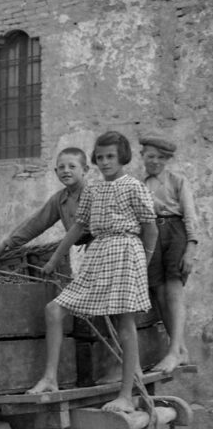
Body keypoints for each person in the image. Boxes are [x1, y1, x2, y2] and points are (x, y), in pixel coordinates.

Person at [28, 131, 158, 413]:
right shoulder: (93, 190)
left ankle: (126, 394)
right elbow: (78, 227)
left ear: (122, 157)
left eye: (110, 156)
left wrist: (142, 264)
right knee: (54, 309)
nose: (105, 162)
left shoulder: (134, 187)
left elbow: (150, 228)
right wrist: (54, 259)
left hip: (126, 252)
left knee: (125, 323)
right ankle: (49, 378)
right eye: (100, 157)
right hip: (98, 254)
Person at [139, 131, 200, 373]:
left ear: (166, 160)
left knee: (174, 290)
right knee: (159, 293)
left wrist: (191, 248)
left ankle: (174, 352)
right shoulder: (141, 184)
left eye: (160, 158)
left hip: (176, 233)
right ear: (143, 157)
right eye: (150, 157)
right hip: (152, 233)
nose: (154, 162)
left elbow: (190, 215)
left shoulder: (177, 181)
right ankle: (180, 349)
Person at [0, 147, 92, 257]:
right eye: (61, 167)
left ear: (85, 170)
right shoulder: (59, 199)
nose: (66, 171)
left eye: (72, 166)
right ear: (56, 171)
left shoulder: (95, 193)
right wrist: (7, 244)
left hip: (104, 246)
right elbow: (37, 223)